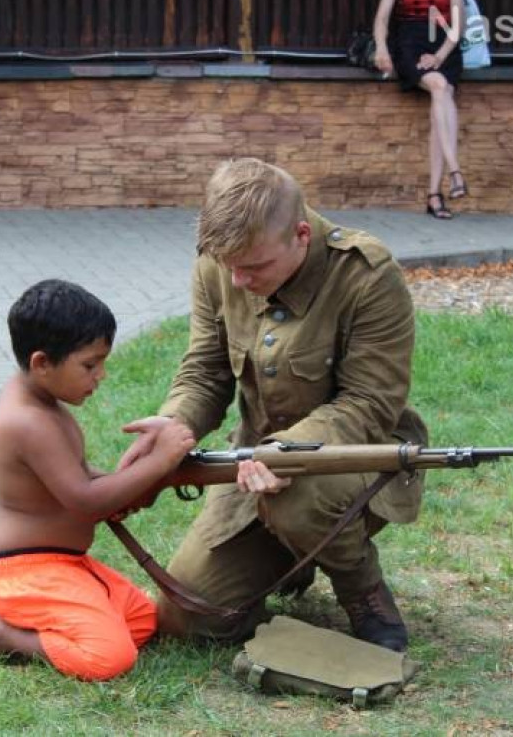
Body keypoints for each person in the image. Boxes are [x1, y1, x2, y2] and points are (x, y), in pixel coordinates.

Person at [117, 158, 428, 653]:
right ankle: (291, 558)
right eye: (229, 266)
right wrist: (175, 424)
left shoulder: (367, 276)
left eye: (254, 267)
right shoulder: (221, 263)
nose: (238, 281)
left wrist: (287, 448)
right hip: (251, 467)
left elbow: (371, 402)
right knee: (189, 617)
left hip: (356, 458)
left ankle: (362, 588)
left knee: (298, 498)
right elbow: (206, 369)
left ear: (301, 234)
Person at [0, 279, 196, 681]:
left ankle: (42, 621)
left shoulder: (44, 402)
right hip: (25, 571)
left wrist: (132, 486)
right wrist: (159, 461)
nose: (101, 375)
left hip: (65, 565)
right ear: (41, 363)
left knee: (141, 621)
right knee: (111, 657)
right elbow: (85, 499)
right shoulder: (27, 421)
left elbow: (78, 477)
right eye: (90, 364)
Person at [373, 0, 466, 220]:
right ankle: (454, 170)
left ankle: (435, 195)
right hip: (409, 42)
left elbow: (459, 23)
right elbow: (382, 18)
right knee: (439, 86)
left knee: (444, 90)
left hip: (444, 44)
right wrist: (381, 47)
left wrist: (439, 56)